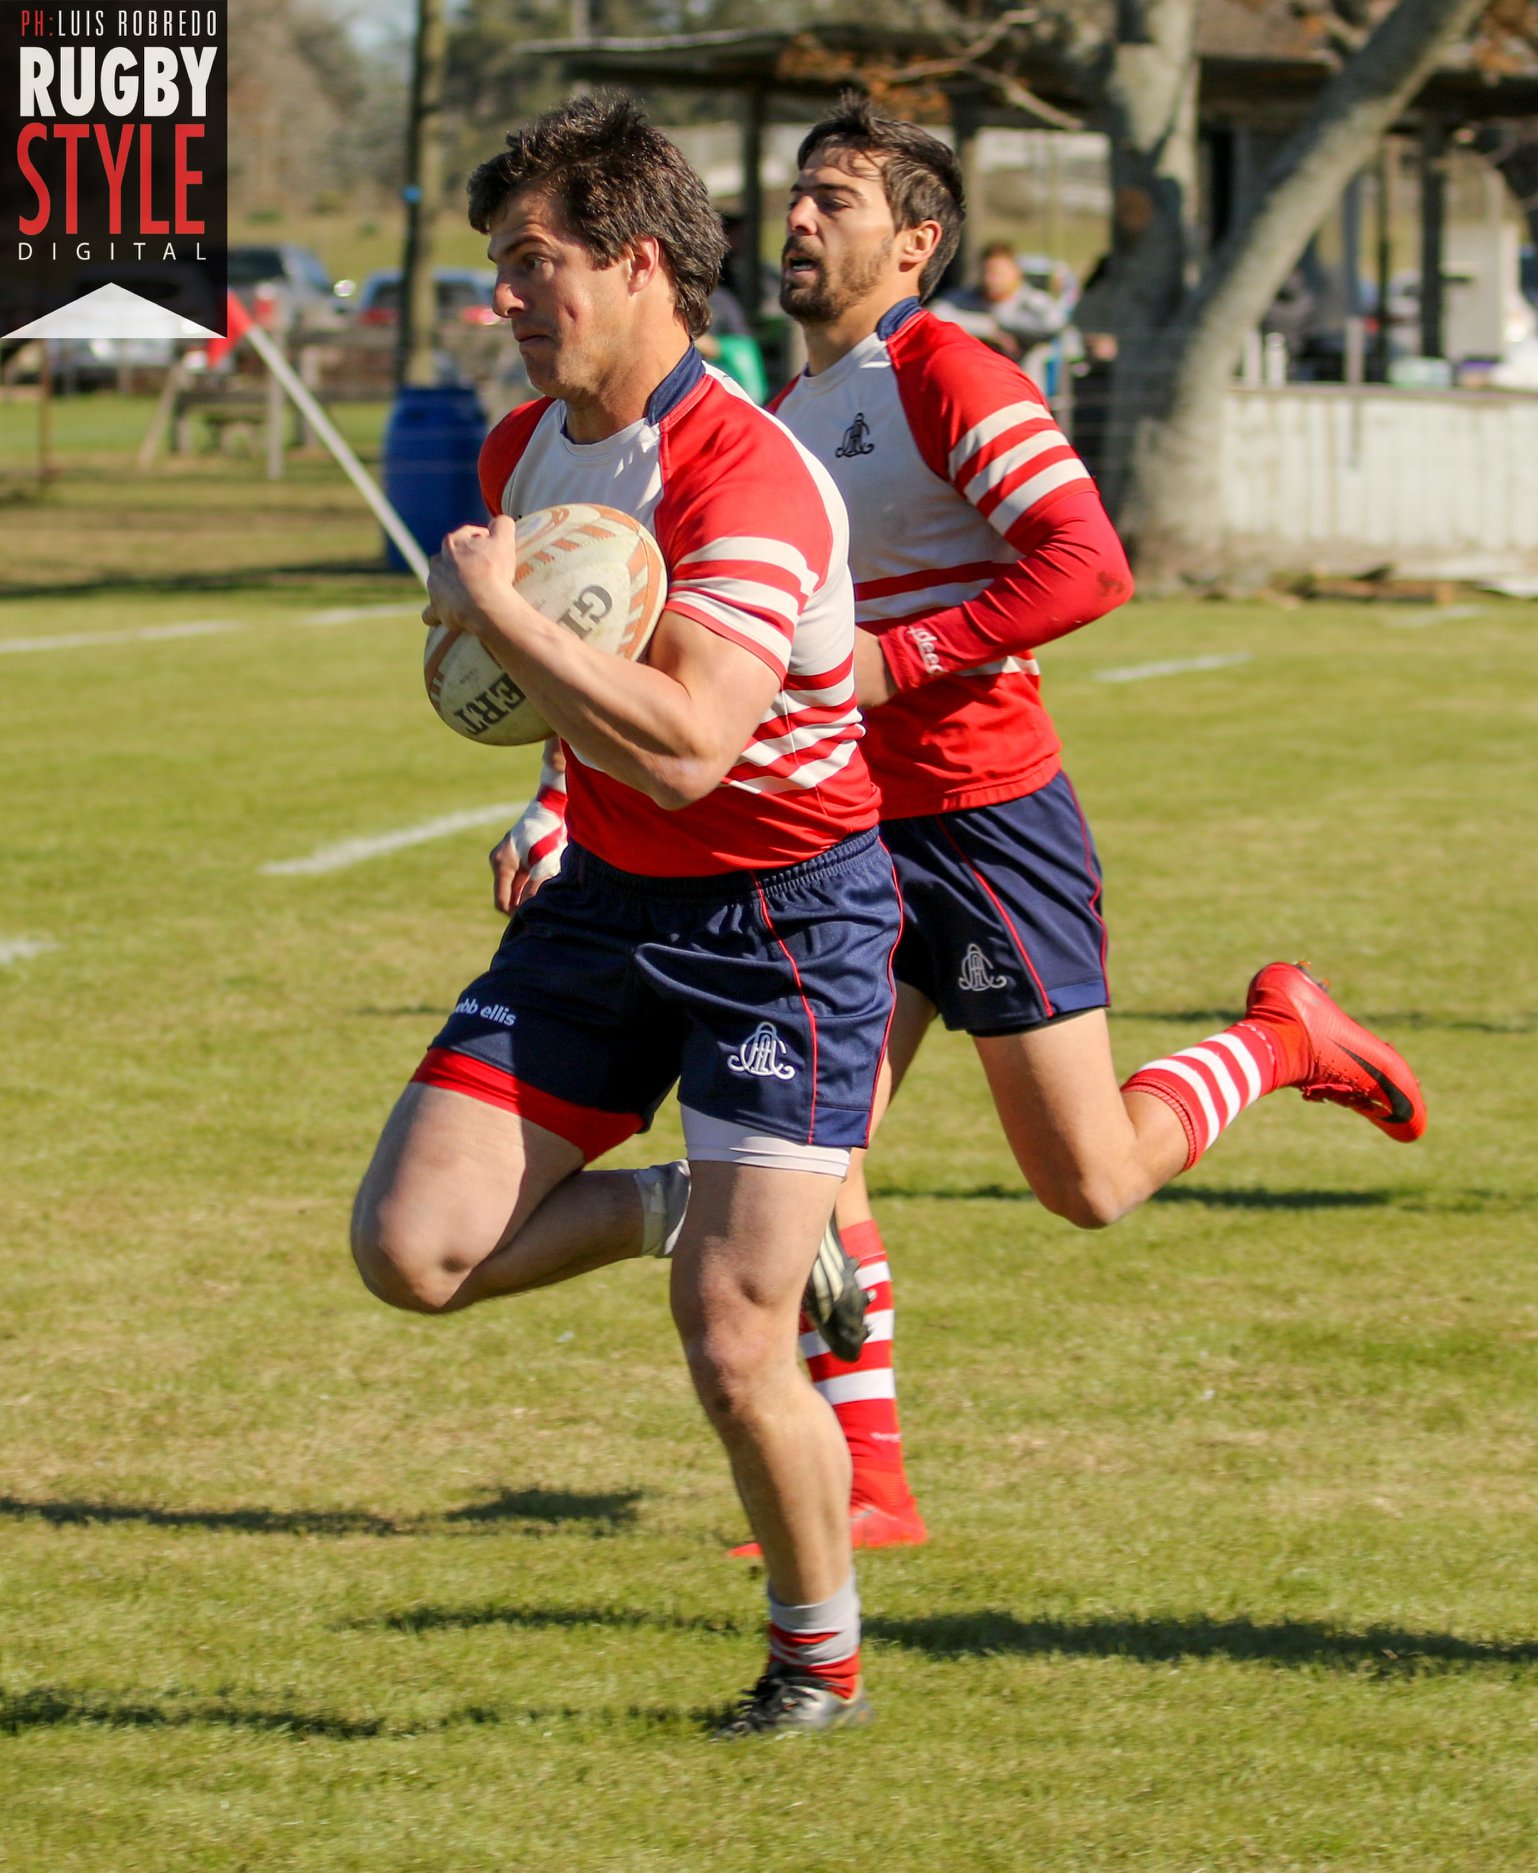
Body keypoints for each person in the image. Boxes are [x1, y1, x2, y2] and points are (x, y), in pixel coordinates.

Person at [489, 94, 1427, 1561]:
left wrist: (899, 659)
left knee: (1089, 1181)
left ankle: (1280, 1037)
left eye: (840, 200)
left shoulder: (948, 373)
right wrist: (558, 796)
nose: (800, 218)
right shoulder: (774, 413)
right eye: (797, 193)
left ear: (917, 243)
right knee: (816, 1155)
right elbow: (666, 649)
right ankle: (870, 1480)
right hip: (835, 837)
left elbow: (1088, 563)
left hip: (986, 820)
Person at [350, 93, 901, 1738]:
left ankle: (816, 1662)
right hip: (605, 898)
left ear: (638, 262)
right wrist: (537, 779)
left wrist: (503, 614)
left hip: (785, 923)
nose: (502, 301)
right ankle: (693, 1202)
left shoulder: (751, 473)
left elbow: (689, 737)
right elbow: (579, 725)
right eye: (495, 270)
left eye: (532, 265)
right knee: (412, 1249)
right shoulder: (526, 449)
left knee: (733, 1341)